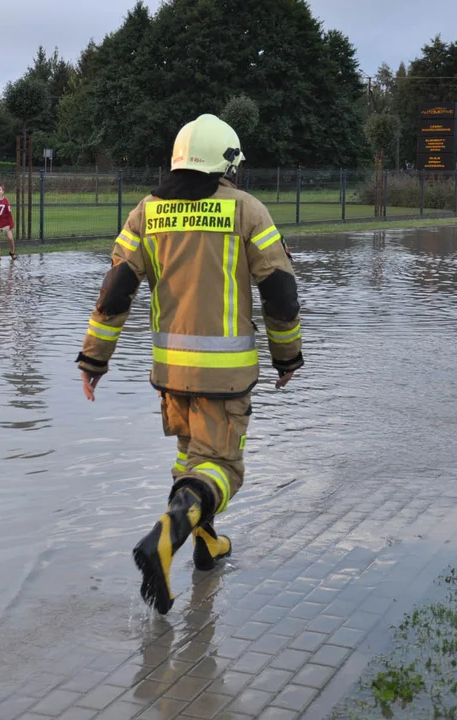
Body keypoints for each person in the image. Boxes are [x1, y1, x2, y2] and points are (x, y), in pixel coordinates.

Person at [76, 114, 304, 614]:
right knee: (222, 468)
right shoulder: (247, 211)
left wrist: (94, 358)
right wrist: (288, 355)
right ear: (226, 164)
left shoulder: (146, 213)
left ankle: (206, 545)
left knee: (190, 462)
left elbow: (115, 291)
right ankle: (169, 533)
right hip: (225, 377)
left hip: (171, 377)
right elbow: (280, 293)